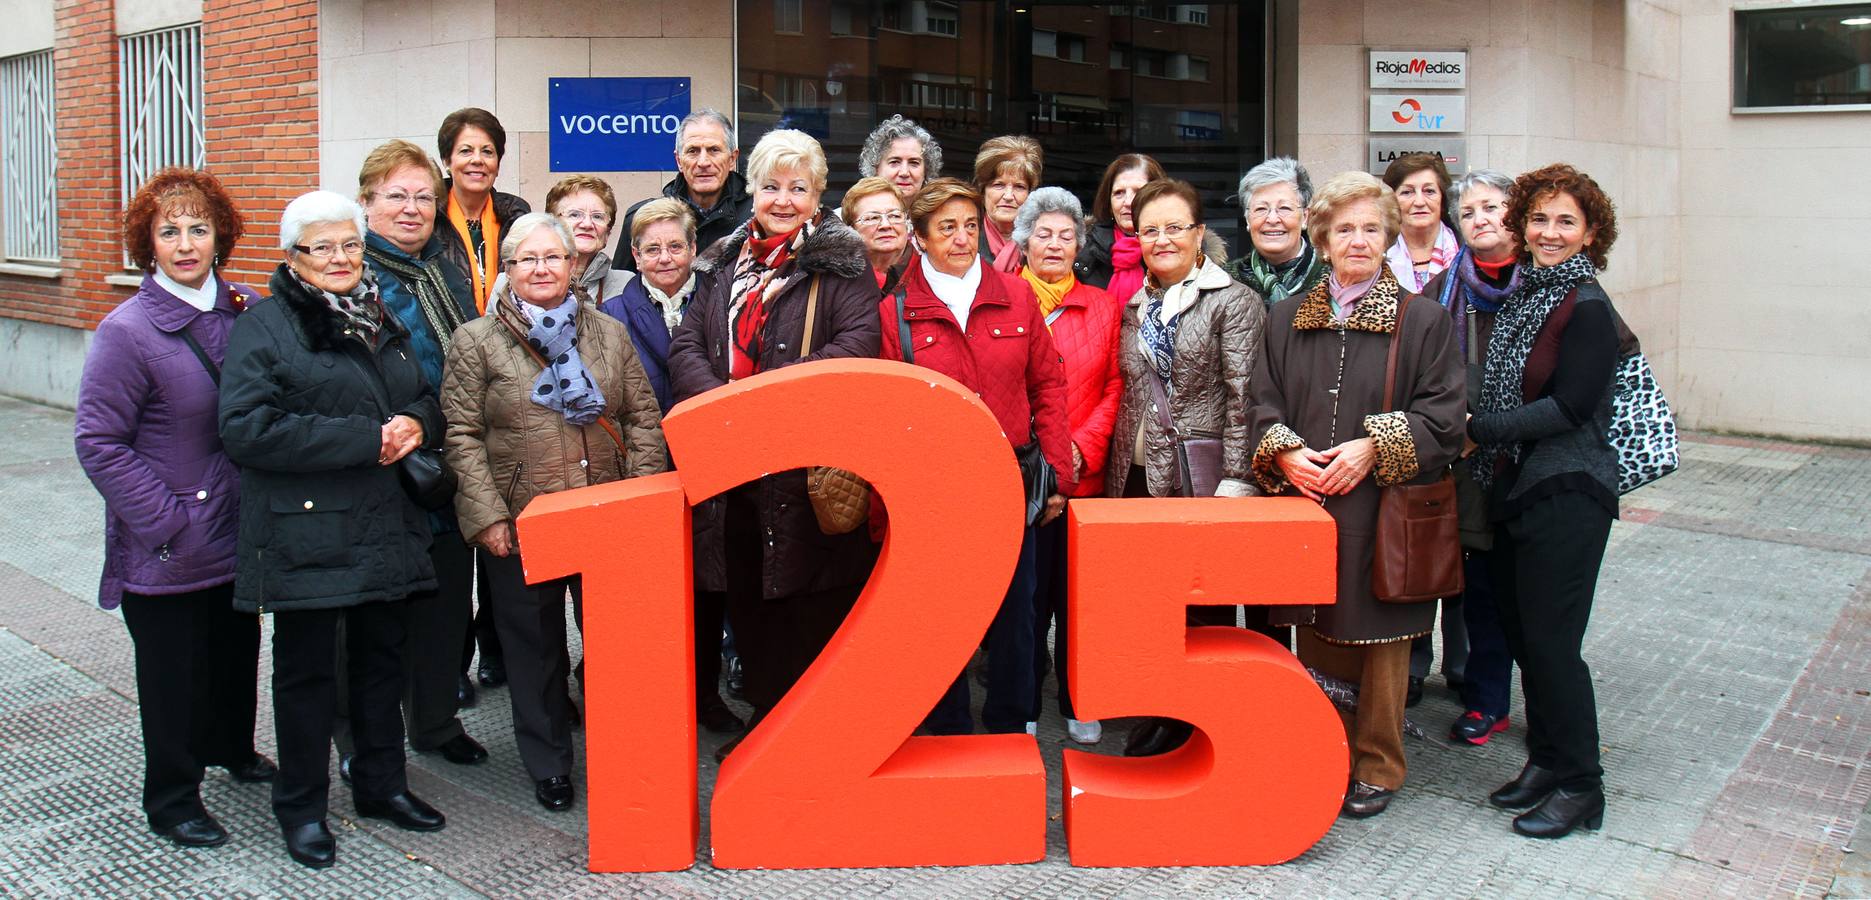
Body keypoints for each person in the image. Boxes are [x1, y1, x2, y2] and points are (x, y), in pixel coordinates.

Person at [219, 190, 449, 868]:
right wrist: (364, 438)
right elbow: (246, 430)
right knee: (307, 677)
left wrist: (419, 425)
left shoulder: (379, 310)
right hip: (307, 532)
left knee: (381, 667)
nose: (341, 257)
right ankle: (302, 809)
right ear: (294, 258)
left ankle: (382, 786)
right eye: (323, 247)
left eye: (349, 243)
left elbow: (420, 395)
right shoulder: (266, 326)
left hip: (385, 524)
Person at [1245, 171, 1464, 819]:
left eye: (1371, 228)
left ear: (1389, 237)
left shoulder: (1422, 320)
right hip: (1307, 505)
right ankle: (1324, 754)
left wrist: (1375, 446)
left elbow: (1446, 418)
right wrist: (1283, 450)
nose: (1358, 240)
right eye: (1345, 229)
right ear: (1324, 237)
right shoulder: (1286, 318)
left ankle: (1378, 766)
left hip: (1382, 508)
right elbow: (1260, 400)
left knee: (1382, 640)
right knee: (1315, 633)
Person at [442, 212, 669, 812]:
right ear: (507, 270)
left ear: (573, 266)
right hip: (523, 522)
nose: (541, 269)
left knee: (616, 644)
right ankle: (549, 764)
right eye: (526, 260)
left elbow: (642, 419)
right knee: (534, 650)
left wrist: (640, 499)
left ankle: (624, 752)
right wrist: (488, 516)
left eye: (553, 258)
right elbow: (461, 435)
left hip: (607, 515)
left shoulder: (610, 334)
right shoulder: (476, 340)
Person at [74, 167, 272, 851]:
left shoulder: (245, 306)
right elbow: (98, 442)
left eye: (198, 227)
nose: (185, 242)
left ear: (220, 236)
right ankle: (172, 796)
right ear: (147, 243)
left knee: (234, 651)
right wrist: (167, 520)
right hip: (167, 542)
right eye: (169, 230)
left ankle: (233, 750)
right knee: (171, 676)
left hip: (239, 529)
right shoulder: (126, 331)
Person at [669, 129, 882, 760]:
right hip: (732, 471)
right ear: (752, 190)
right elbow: (686, 346)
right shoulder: (720, 263)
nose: (782, 199)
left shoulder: (845, 264)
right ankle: (767, 726)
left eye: (798, 187)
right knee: (748, 596)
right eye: (770, 186)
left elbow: (855, 347)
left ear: (818, 196)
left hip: (801, 466)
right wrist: (730, 414)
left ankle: (809, 737)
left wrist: (760, 411)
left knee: (806, 602)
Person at [878, 177, 1074, 736]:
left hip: (1012, 478)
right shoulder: (895, 310)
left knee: (1017, 611)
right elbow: (892, 409)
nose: (963, 238)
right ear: (919, 238)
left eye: (970, 225)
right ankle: (947, 725)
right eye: (946, 228)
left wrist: (1058, 473)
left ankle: (1013, 722)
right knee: (942, 612)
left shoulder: (1015, 295)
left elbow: (1048, 387)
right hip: (936, 487)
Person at [1470, 163, 1623, 839]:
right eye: (1538, 218)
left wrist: (1480, 430)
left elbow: (1570, 405)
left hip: (1567, 492)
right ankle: (1545, 761)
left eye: (1565, 220)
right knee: (1527, 638)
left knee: (1555, 646)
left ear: (1590, 233)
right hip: (1515, 490)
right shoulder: (1529, 296)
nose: (1549, 231)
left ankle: (1581, 786)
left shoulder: (1586, 305)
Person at [1106, 179, 1265, 757]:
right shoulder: (1134, 303)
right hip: (1135, 473)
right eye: (1151, 229)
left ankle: (1202, 720)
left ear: (1200, 233)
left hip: (1201, 477)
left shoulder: (1234, 301)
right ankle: (1164, 707)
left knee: (1204, 603)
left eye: (1176, 227)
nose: (1163, 239)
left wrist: (1237, 479)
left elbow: (1244, 395)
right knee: (1152, 602)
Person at [352, 139, 487, 770]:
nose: (412, 210)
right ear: (367, 203)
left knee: (444, 606)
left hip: (449, 462)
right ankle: (360, 741)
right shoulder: (355, 274)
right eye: (396, 197)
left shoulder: (444, 264)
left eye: (424, 198)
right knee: (377, 620)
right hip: (386, 467)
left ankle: (433, 721)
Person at [595, 200, 742, 738]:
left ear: (692, 251)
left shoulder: (720, 300)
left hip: (708, 465)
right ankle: (653, 699)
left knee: (708, 589)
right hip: (644, 466)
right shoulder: (611, 313)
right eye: (651, 248)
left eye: (675, 246)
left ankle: (705, 694)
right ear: (634, 254)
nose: (664, 257)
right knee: (647, 595)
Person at [1010, 186, 1121, 745]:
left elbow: (1116, 385)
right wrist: (1045, 454)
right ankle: (1025, 698)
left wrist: (1080, 446)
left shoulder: (1102, 304)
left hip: (1085, 476)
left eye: (1067, 234)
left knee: (1082, 602)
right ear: (1023, 240)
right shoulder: (1003, 299)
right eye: (1043, 233)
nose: (1055, 243)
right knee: (1028, 600)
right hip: (1026, 477)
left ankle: (1082, 698)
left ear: (1081, 244)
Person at [1416, 168, 1523, 746]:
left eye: (1493, 208)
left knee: (1523, 589)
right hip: (1463, 459)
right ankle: (1486, 701)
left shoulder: (1542, 283)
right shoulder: (1441, 292)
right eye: (1470, 212)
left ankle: (1542, 699)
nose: (1481, 219)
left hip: (1531, 461)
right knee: (1477, 586)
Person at [611, 109, 752, 271]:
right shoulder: (643, 218)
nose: (703, 162)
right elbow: (624, 288)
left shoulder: (758, 214)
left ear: (732, 158)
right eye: (693, 151)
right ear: (679, 160)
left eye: (714, 150)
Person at [436, 107, 531, 313]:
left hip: (506, 335)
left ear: (497, 164)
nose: (477, 160)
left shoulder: (517, 215)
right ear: (447, 161)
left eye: (487, 152)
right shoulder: (430, 216)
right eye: (465, 151)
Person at [1226, 156, 1325, 308]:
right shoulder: (1228, 279)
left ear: (1305, 217)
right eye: (1261, 209)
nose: (1272, 219)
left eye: (1284, 208)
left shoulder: (1333, 278)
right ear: (1247, 220)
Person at [1075, 153, 1166, 304]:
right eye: (1119, 193)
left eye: (1138, 192)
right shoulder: (1081, 251)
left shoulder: (1177, 251)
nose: (1128, 202)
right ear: (1109, 204)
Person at [547, 174, 636, 305]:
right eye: (575, 214)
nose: (587, 224)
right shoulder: (521, 280)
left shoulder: (625, 286)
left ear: (607, 233)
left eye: (597, 217)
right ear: (550, 225)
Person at [1382, 153, 1458, 294]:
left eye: (1429, 191)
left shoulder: (1465, 250)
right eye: (1407, 192)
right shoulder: (1377, 250)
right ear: (1391, 201)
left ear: (1443, 198)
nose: (1419, 202)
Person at [973, 135, 1042, 275]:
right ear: (982, 190)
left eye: (1019, 187)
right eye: (999, 185)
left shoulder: (1045, 242)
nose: (1009, 196)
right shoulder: (964, 239)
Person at [841, 175, 913, 290]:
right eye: (872, 218)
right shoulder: (834, 285)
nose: (886, 225)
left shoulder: (931, 272)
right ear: (851, 230)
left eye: (894, 216)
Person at [858, 114, 942, 200]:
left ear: (926, 171)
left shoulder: (941, 213)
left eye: (914, 163)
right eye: (894, 162)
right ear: (875, 168)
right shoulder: (856, 212)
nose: (904, 173)